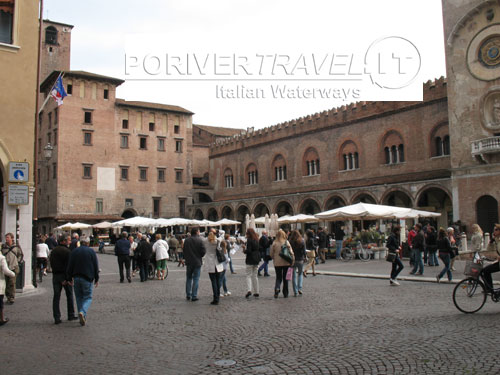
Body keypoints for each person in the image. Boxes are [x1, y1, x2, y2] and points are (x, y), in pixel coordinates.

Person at [67, 237, 99, 326]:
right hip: (87, 277)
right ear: (88, 243)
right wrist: (96, 278)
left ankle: (82, 315)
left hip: (76, 277)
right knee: (88, 297)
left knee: (78, 297)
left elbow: (70, 265)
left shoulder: (74, 251)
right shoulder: (91, 251)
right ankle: (82, 311)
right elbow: (95, 265)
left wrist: (69, 278)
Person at [49, 234, 77, 324]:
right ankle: (71, 314)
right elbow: (68, 267)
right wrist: (68, 279)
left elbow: (52, 263)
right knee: (69, 295)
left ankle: (57, 317)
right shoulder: (67, 252)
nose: (70, 242)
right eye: (68, 240)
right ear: (64, 241)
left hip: (56, 276)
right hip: (64, 276)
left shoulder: (53, 251)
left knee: (56, 297)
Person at [183, 227, 206, 301]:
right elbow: (203, 251)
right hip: (197, 262)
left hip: (189, 262)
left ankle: (188, 295)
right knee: (196, 279)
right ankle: (194, 296)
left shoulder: (186, 240)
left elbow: (184, 250)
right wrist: (200, 256)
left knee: (188, 278)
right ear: (197, 232)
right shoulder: (200, 240)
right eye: (199, 231)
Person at [270, 229, 295, 298]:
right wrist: (293, 260)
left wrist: (274, 258)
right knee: (285, 278)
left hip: (277, 263)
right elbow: (291, 252)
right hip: (286, 262)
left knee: (278, 277)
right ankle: (285, 293)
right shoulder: (286, 242)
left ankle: (277, 288)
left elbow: (271, 253)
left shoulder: (274, 243)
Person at [1, 233, 23, 304]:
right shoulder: (3, 247)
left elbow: (21, 255)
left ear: (12, 238)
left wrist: (18, 262)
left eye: (8, 237)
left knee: (12, 283)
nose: (6, 239)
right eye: (6, 237)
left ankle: (12, 297)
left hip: (14, 267)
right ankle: (8, 297)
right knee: (6, 283)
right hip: (5, 267)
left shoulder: (16, 247)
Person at [204, 230, 224, 305]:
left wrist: (205, 232)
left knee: (213, 282)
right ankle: (217, 295)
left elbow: (200, 236)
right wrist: (217, 231)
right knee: (218, 281)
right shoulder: (217, 240)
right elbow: (223, 233)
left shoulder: (206, 241)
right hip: (217, 263)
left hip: (210, 263)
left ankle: (215, 298)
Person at [242, 228, 260, 298]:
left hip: (250, 259)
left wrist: (244, 249)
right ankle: (257, 291)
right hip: (256, 259)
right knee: (255, 276)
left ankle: (249, 290)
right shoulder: (257, 239)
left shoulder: (249, 240)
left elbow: (249, 251)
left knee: (248, 275)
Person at [482, 224, 500, 291]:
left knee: (486, 270)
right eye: (494, 230)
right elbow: (489, 249)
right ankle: (489, 288)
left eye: (496, 230)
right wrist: (491, 241)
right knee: (485, 270)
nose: (494, 231)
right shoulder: (496, 240)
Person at [0, 249, 15, 325]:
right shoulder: (1, 258)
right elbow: (6, 271)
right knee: (0, 303)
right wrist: (13, 274)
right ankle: (1, 318)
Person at [289, 229, 306, 296]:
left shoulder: (290, 242)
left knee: (293, 276)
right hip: (300, 260)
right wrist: (305, 257)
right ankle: (300, 288)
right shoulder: (302, 241)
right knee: (300, 274)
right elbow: (304, 251)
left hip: (292, 260)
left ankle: (295, 291)